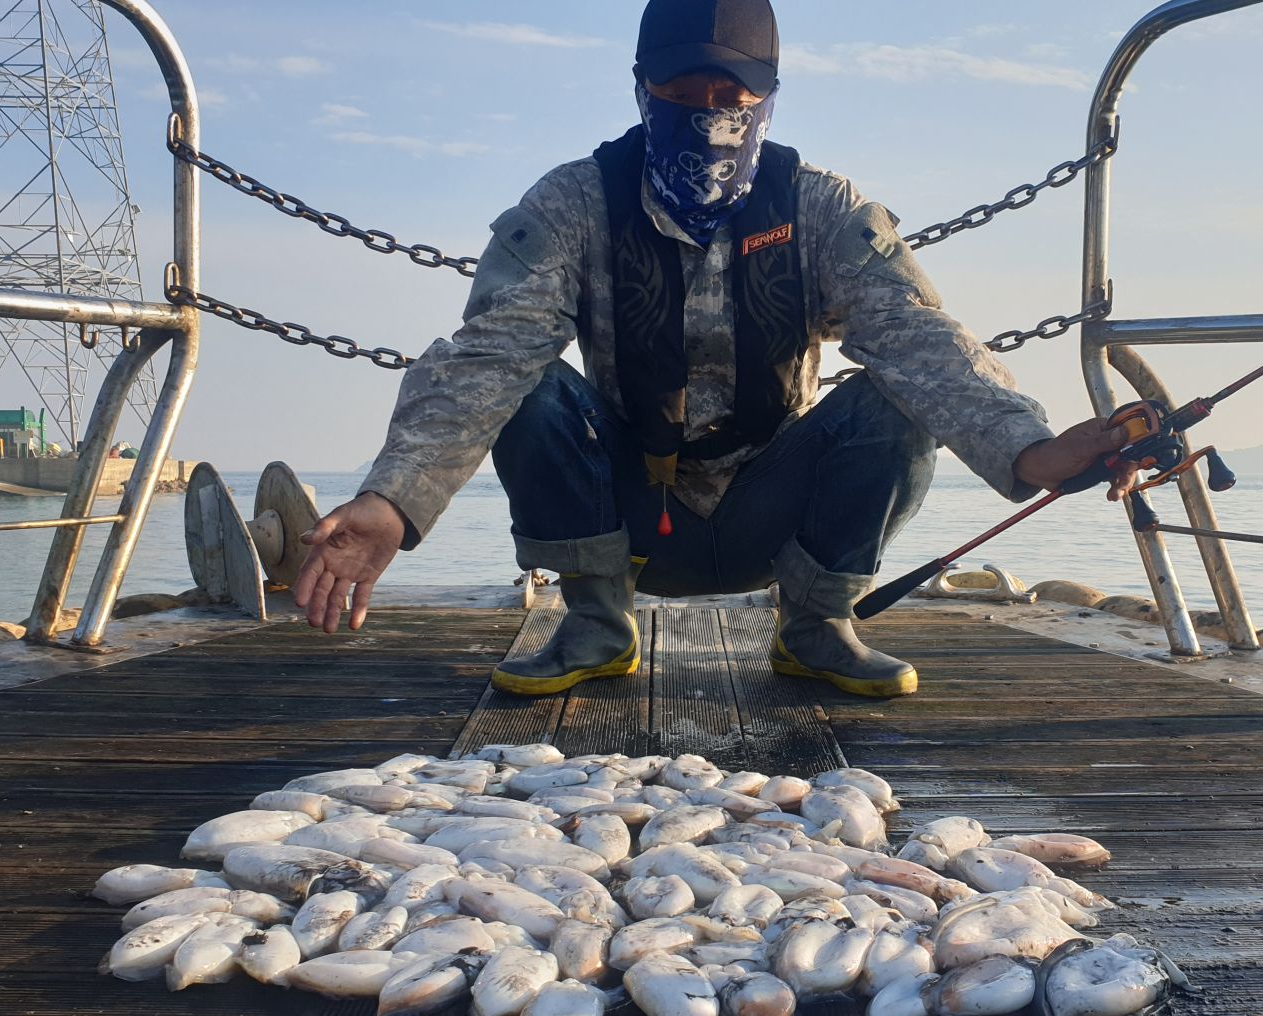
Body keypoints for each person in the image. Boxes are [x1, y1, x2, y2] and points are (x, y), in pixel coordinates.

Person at [294, 0, 1136, 698]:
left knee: (894, 396)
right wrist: (392, 500)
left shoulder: (822, 207)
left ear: (767, 97)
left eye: (731, 89)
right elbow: (485, 357)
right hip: (627, 516)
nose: (706, 110)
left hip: (772, 514)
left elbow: (921, 338)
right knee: (531, 388)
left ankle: (817, 626)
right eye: (680, 87)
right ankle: (594, 623)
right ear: (640, 90)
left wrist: (1033, 451)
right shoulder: (570, 204)